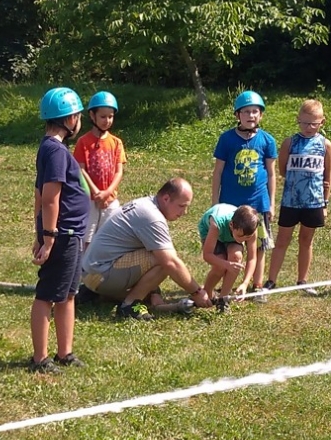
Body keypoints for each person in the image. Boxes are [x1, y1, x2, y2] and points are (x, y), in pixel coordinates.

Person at [80, 177, 213, 320]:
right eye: (182, 206)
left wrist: (154, 291)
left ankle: (96, 294)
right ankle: (130, 305)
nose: (185, 212)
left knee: (161, 256)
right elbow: (170, 263)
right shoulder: (152, 217)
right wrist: (197, 292)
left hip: (91, 272)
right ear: (166, 198)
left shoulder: (145, 204)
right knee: (164, 261)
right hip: (99, 274)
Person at [30, 86, 90, 373]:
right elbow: (49, 196)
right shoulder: (54, 151)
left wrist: (39, 232)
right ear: (69, 120)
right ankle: (40, 358)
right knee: (47, 295)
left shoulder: (54, 149)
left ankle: (65, 352)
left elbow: (38, 196)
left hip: (71, 235)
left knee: (68, 294)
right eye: (77, 115)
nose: (79, 120)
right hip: (62, 235)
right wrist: (49, 237)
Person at [265, 98, 331, 294]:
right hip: (291, 201)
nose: (308, 127)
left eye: (313, 123)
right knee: (282, 241)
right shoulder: (290, 142)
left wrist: (325, 203)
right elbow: (282, 170)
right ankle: (271, 280)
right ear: (298, 120)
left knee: (306, 240)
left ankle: (302, 280)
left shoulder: (325, 145)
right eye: (304, 123)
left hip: (314, 202)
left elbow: (327, 176)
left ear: (322, 122)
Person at [211, 90, 278, 274]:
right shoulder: (226, 139)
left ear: (261, 114)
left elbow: (271, 174)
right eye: (246, 111)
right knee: (229, 244)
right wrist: (215, 202)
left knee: (259, 247)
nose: (251, 115)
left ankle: (256, 285)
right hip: (230, 203)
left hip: (258, 203)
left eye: (255, 111)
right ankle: (225, 281)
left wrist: (271, 204)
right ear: (237, 115)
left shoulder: (267, 141)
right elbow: (218, 172)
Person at [72, 91, 126, 237]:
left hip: (111, 199)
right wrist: (96, 192)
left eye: (111, 116)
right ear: (92, 115)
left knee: (110, 236)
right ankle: (85, 261)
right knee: (87, 238)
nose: (107, 120)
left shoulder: (116, 143)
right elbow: (81, 169)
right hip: (89, 199)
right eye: (103, 116)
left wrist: (107, 193)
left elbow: (118, 171)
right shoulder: (83, 142)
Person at [198, 202, 266, 306]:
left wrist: (245, 283)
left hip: (231, 235)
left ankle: (223, 300)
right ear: (231, 225)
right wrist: (226, 264)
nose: (243, 240)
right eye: (240, 236)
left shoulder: (251, 229)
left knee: (236, 257)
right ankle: (206, 292)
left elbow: (252, 258)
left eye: (247, 238)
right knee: (219, 265)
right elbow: (207, 255)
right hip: (211, 231)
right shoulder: (217, 223)